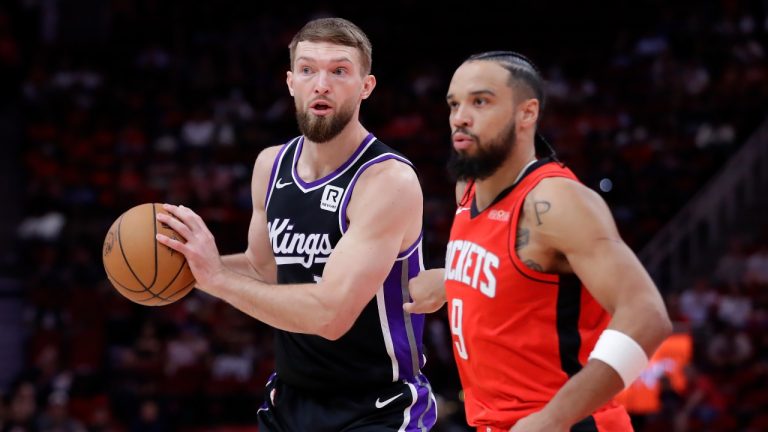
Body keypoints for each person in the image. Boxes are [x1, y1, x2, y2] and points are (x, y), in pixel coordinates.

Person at [156, 17, 436, 432]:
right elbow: (263, 268)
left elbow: (331, 315)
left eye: (339, 71)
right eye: (308, 70)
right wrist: (182, 265)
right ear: (291, 82)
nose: (321, 84)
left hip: (375, 407)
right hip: (289, 400)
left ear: (366, 86)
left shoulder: (386, 180)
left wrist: (215, 278)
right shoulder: (270, 165)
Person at [405, 51, 672, 431]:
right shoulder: (468, 190)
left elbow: (647, 317)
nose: (460, 117)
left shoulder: (556, 201)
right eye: (454, 104)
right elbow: (515, 274)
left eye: (480, 101)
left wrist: (553, 419)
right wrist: (453, 280)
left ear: (527, 113)